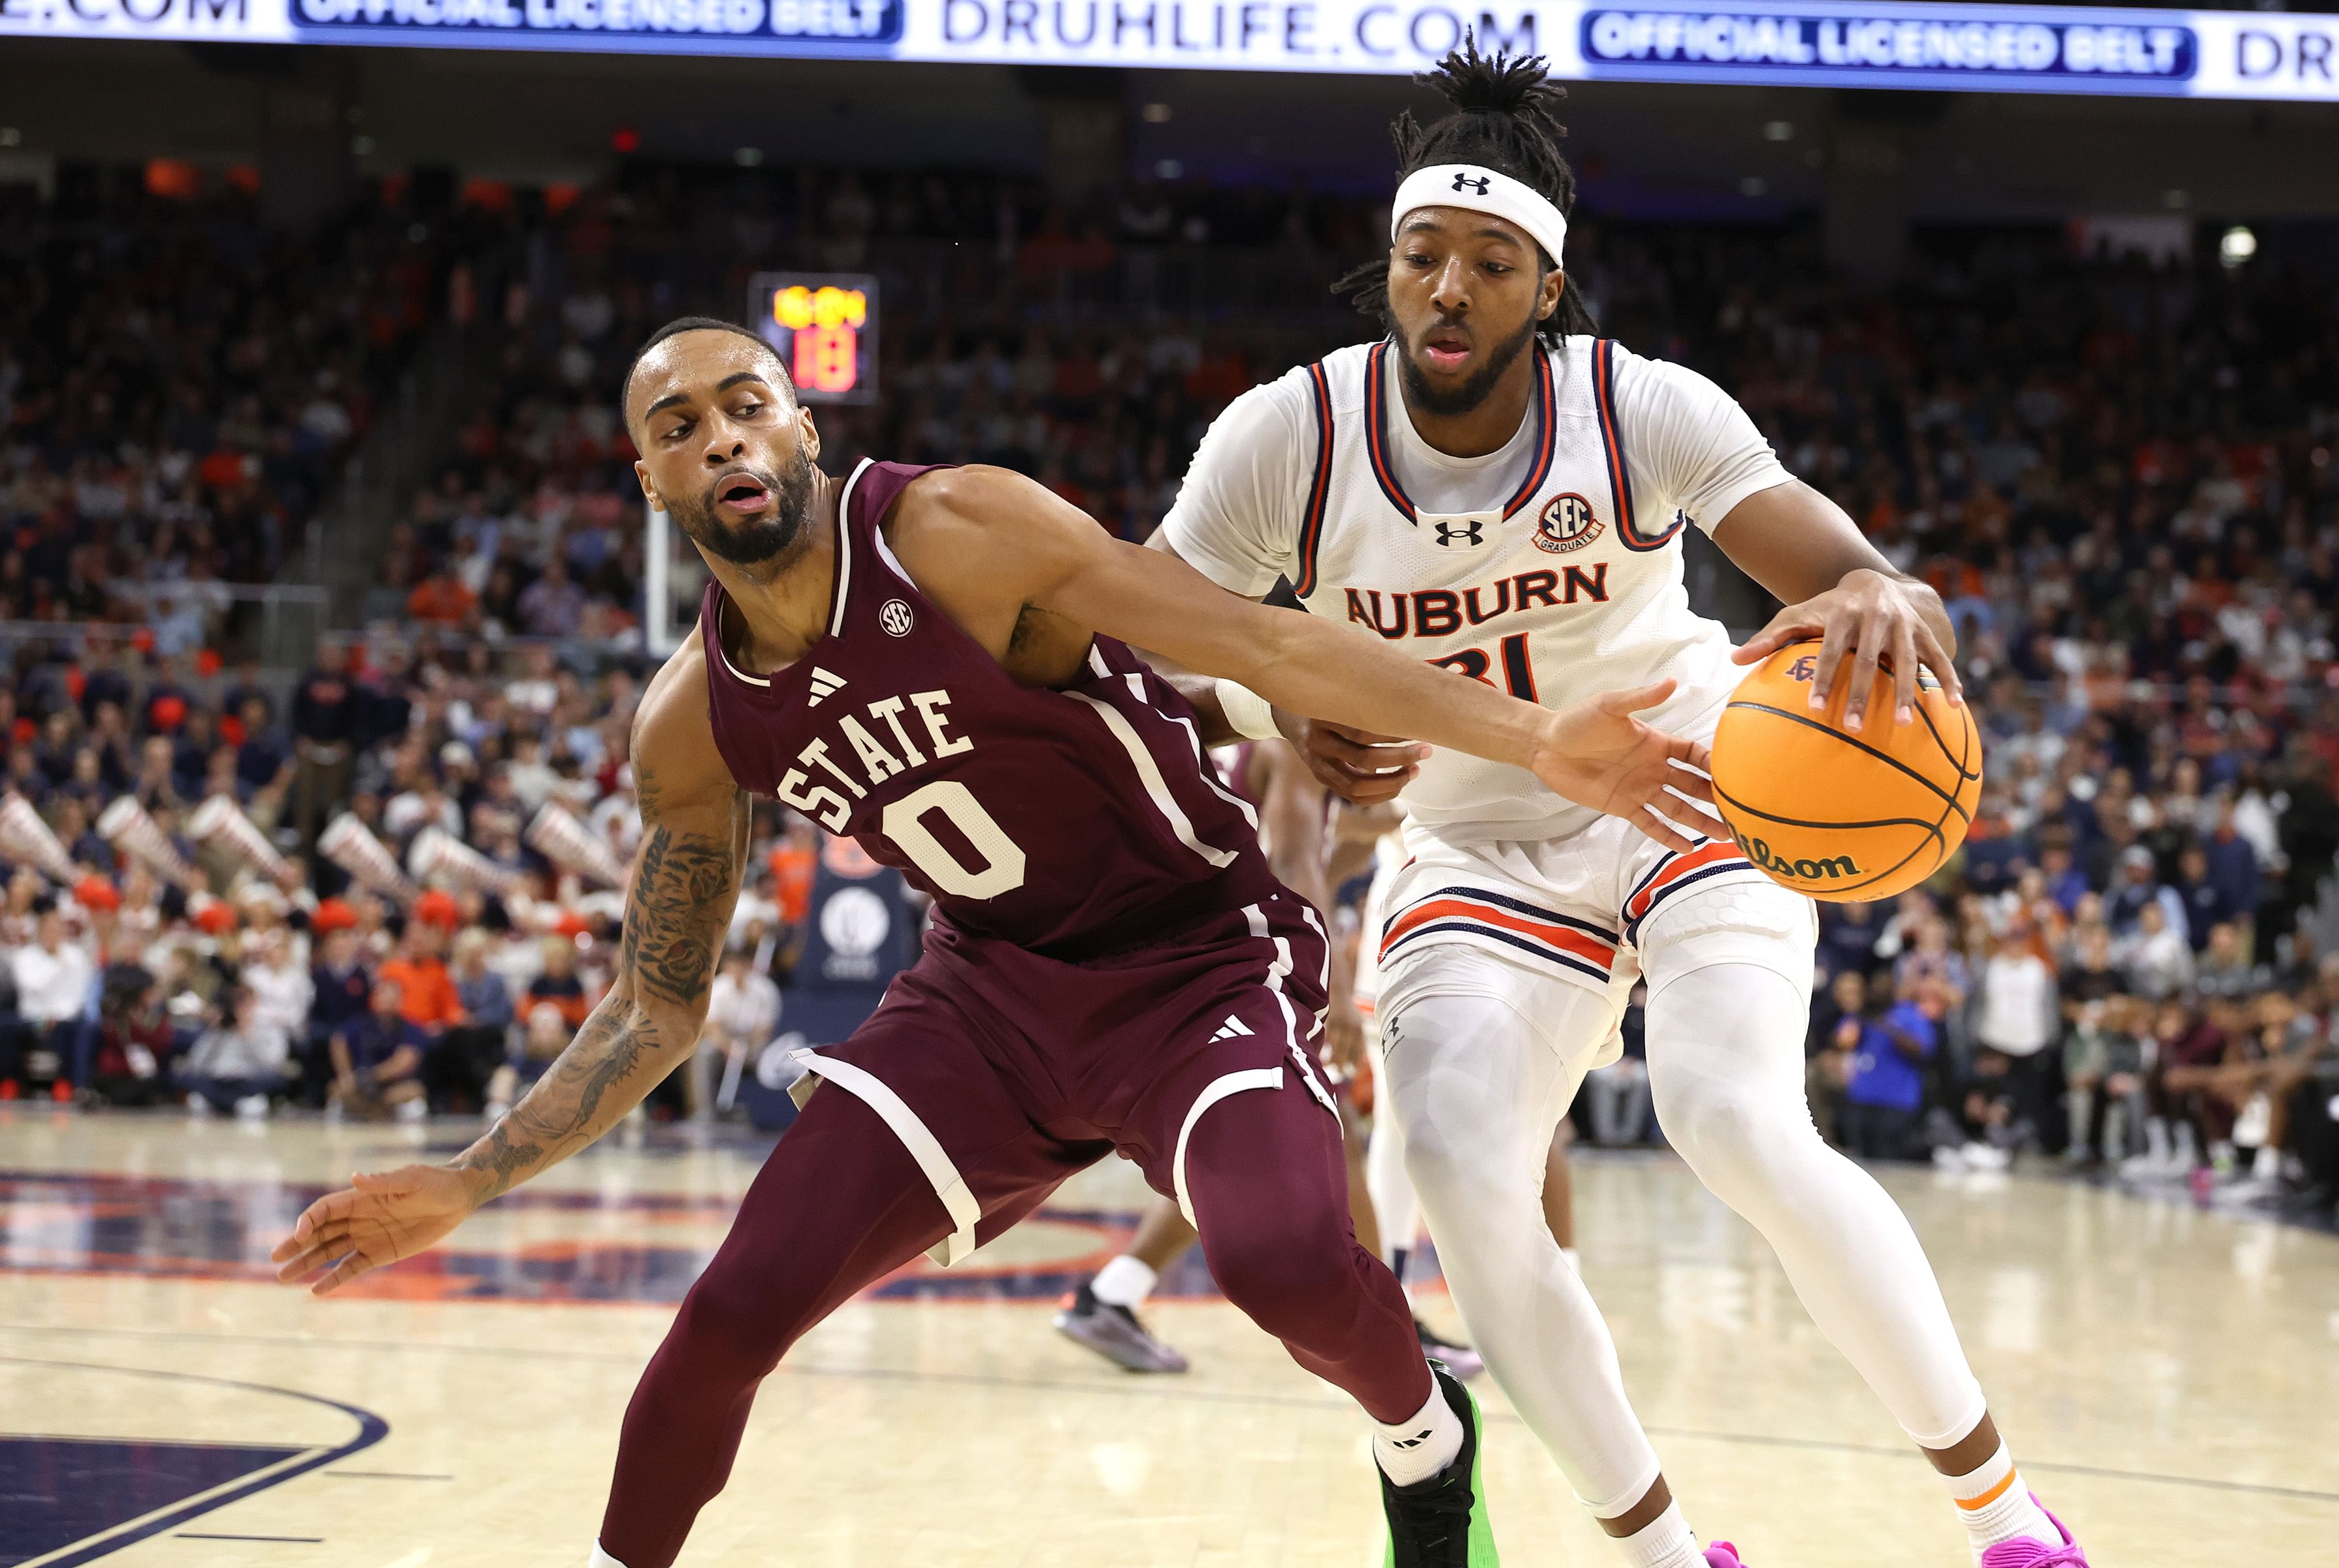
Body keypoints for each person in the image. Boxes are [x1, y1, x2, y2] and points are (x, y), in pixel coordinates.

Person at [271, 314, 1716, 1568]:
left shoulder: (958, 531)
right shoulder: (688, 722)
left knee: (1281, 1259)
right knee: (730, 1309)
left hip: (1192, 953)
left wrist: (1539, 739)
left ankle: (1421, 1437)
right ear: (647, 479)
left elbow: (1257, 642)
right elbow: (659, 1008)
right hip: (984, 1003)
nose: (720, 437)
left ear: (800, 425)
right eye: (677, 426)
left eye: (745, 403)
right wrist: (467, 1181)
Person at [1150, 42, 2086, 1568]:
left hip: (1686, 786)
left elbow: (1851, 572)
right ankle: (1663, 1555)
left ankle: (2005, 1517)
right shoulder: (1284, 438)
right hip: (1470, 843)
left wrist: (1887, 595)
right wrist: (1285, 707)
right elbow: (1150, 633)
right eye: (1421, 256)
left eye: (1489, 263)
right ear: (1386, 267)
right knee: (1456, 1174)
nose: (1446, 289)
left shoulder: (1636, 406)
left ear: (1544, 289)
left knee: (1734, 1121)